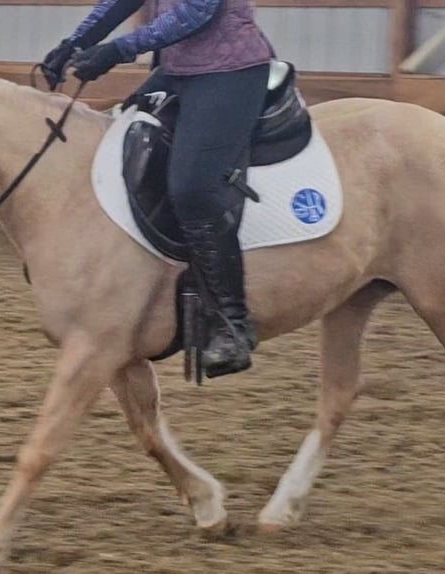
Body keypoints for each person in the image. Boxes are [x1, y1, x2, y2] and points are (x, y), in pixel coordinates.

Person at [41, 0, 275, 378]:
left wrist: (117, 50)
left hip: (229, 72)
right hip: (177, 69)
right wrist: (75, 43)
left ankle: (231, 322)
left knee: (191, 187)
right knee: (119, 146)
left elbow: (198, 11)